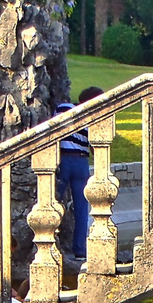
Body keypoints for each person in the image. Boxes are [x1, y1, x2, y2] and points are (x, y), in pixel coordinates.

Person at [55, 86, 104, 262]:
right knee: (81, 208)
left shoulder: (63, 108)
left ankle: (50, 241)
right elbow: (95, 146)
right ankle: (80, 250)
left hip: (62, 159)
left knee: (54, 201)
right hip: (81, 162)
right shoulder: (94, 118)